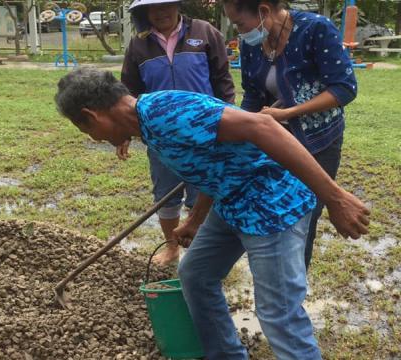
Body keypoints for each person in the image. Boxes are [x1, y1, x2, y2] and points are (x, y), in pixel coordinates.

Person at [54, 68, 370, 359]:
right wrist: (194, 219)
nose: (92, 138)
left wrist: (335, 197)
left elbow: (263, 126)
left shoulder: (168, 114)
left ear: (90, 116)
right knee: (195, 276)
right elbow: (212, 161)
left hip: (271, 206)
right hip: (231, 203)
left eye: (84, 130)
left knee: (279, 314)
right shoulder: (147, 126)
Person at [223, 0, 357, 270]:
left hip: (318, 140)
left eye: (239, 23)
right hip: (273, 139)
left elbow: (344, 88)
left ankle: (294, 288)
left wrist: (288, 113)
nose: (239, 32)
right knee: (273, 206)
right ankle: (277, 276)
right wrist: (239, 126)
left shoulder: (315, 29)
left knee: (304, 215)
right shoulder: (252, 45)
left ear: (263, 11)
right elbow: (252, 93)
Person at [118, 0, 235, 265]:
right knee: (165, 193)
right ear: (144, 12)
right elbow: (129, 90)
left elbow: (222, 80)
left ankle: (200, 251)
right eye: (154, 7)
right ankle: (171, 248)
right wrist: (125, 131)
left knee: (203, 192)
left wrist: (230, 121)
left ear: (177, 6)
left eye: (166, 5)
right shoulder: (139, 43)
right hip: (159, 135)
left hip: (203, 132)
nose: (161, 12)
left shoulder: (204, 32)